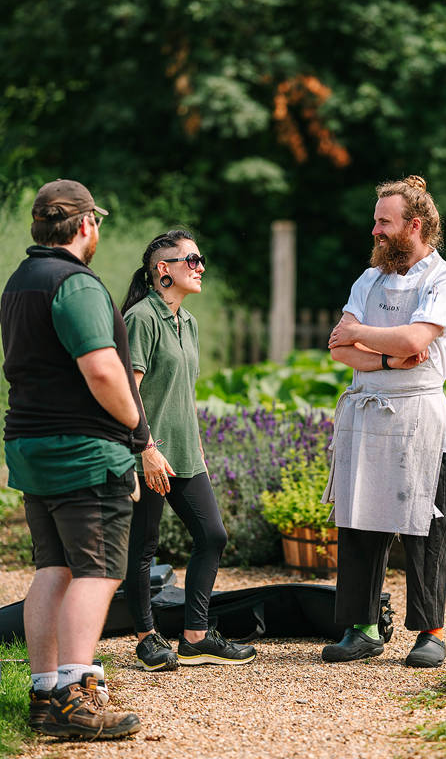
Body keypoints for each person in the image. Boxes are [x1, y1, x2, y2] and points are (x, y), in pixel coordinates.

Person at [0, 179, 149, 739]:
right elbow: (104, 371)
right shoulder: (75, 283)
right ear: (86, 224)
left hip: (31, 445)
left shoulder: (19, 281)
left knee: (54, 569)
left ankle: (45, 694)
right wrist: (136, 428)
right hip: (85, 451)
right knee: (99, 571)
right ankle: (74, 696)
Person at [321, 175, 446, 667]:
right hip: (368, 406)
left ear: (415, 226)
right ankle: (361, 628)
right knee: (359, 519)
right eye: (376, 220)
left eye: (385, 222)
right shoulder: (370, 279)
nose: (376, 230)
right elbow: (341, 349)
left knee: (425, 526)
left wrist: (365, 333)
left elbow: (414, 342)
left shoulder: (443, 281)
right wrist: (384, 358)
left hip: (419, 416)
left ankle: (431, 633)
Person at [122, 230, 256, 670]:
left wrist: (194, 445)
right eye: (192, 260)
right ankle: (146, 639)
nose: (200, 268)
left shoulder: (188, 322)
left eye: (201, 260)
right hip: (146, 453)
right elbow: (130, 392)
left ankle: (196, 637)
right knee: (144, 546)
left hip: (184, 452)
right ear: (164, 270)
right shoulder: (142, 319)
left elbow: (183, 392)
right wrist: (146, 449)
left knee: (212, 535)